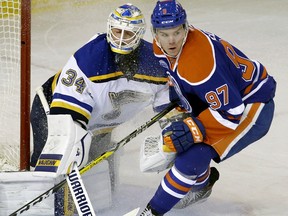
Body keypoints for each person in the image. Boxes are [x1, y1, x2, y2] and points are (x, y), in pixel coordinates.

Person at [29, 3, 170, 215]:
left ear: (139, 34)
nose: (121, 38)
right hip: (54, 112)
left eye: (128, 33)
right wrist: (74, 151)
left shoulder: (156, 63)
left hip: (99, 124)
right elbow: (67, 123)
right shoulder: (89, 60)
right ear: (109, 29)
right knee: (57, 172)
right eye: (117, 31)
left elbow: (168, 104)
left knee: (103, 189)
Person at [140, 0, 276, 215]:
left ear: (186, 27)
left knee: (191, 157)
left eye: (176, 32)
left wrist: (195, 129)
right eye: (164, 34)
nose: (171, 40)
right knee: (181, 137)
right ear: (155, 33)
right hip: (225, 97)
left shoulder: (200, 64)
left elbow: (231, 112)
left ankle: (151, 212)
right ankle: (201, 184)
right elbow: (179, 76)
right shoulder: (162, 46)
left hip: (251, 105)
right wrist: (179, 104)